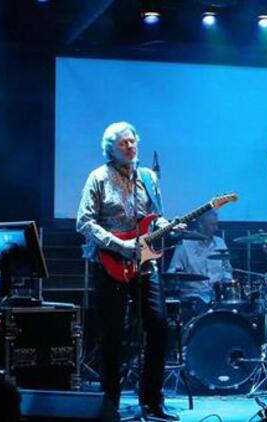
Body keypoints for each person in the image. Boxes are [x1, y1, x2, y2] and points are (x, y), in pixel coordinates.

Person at [76, 122, 178, 420]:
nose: (130, 146)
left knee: (159, 326)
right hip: (110, 262)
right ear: (111, 149)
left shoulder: (148, 177)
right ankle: (109, 405)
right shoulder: (98, 177)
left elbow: (155, 217)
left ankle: (152, 401)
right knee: (112, 333)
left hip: (145, 263)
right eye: (123, 143)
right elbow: (84, 222)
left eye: (132, 141)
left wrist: (168, 226)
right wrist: (119, 245)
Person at [167, 210, 233, 306]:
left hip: (217, 296)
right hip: (193, 296)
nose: (216, 228)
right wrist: (177, 275)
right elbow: (172, 272)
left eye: (216, 224)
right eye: (212, 225)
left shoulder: (220, 242)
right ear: (201, 225)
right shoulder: (185, 245)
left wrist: (226, 284)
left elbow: (227, 268)